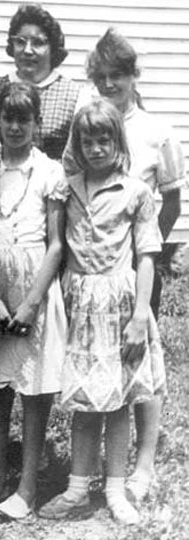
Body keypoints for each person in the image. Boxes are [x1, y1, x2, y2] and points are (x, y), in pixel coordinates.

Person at [62, 28, 186, 503]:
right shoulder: (87, 122)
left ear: (135, 77)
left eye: (119, 76)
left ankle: (144, 465)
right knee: (104, 368)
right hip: (92, 270)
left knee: (141, 367)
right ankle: (94, 475)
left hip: (136, 264)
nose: (110, 84)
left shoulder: (158, 131)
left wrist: (142, 254)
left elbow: (169, 201)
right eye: (102, 77)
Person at [39, 99, 164, 525]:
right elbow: (55, 247)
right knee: (86, 402)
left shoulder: (136, 191)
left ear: (117, 141)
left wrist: (140, 316)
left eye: (104, 139)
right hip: (79, 306)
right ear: (77, 142)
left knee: (118, 403)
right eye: (87, 140)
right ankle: (77, 488)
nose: (95, 148)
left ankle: (115, 490)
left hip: (121, 306)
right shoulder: (66, 187)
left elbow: (146, 255)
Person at [0, 81, 67, 520]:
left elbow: (57, 245)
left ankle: (26, 487)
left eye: (25, 118)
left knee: (33, 385)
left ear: (37, 123)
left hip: (33, 289)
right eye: (9, 117)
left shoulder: (49, 172)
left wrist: (30, 304)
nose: (16, 126)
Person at [0, 3, 82, 161]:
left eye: (38, 43)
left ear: (53, 48)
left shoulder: (74, 96)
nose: (27, 50)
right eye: (20, 42)